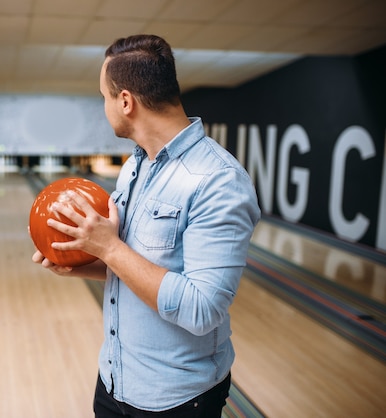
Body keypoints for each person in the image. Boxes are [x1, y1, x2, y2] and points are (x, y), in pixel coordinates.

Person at [31, 34, 260, 417]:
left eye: (104, 96)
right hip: (116, 379)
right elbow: (136, 268)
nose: (104, 106)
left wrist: (107, 246)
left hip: (177, 398)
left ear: (125, 101)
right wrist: (75, 265)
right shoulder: (137, 166)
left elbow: (202, 310)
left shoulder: (218, 181)